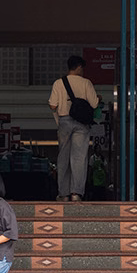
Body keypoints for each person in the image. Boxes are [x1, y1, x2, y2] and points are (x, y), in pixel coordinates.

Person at [48, 54, 100, 202]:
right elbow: (94, 104)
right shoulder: (86, 83)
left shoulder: (58, 83)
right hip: (82, 124)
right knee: (79, 158)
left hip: (64, 121)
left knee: (63, 157)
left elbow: (52, 105)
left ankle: (63, 193)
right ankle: (76, 193)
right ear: (79, 67)